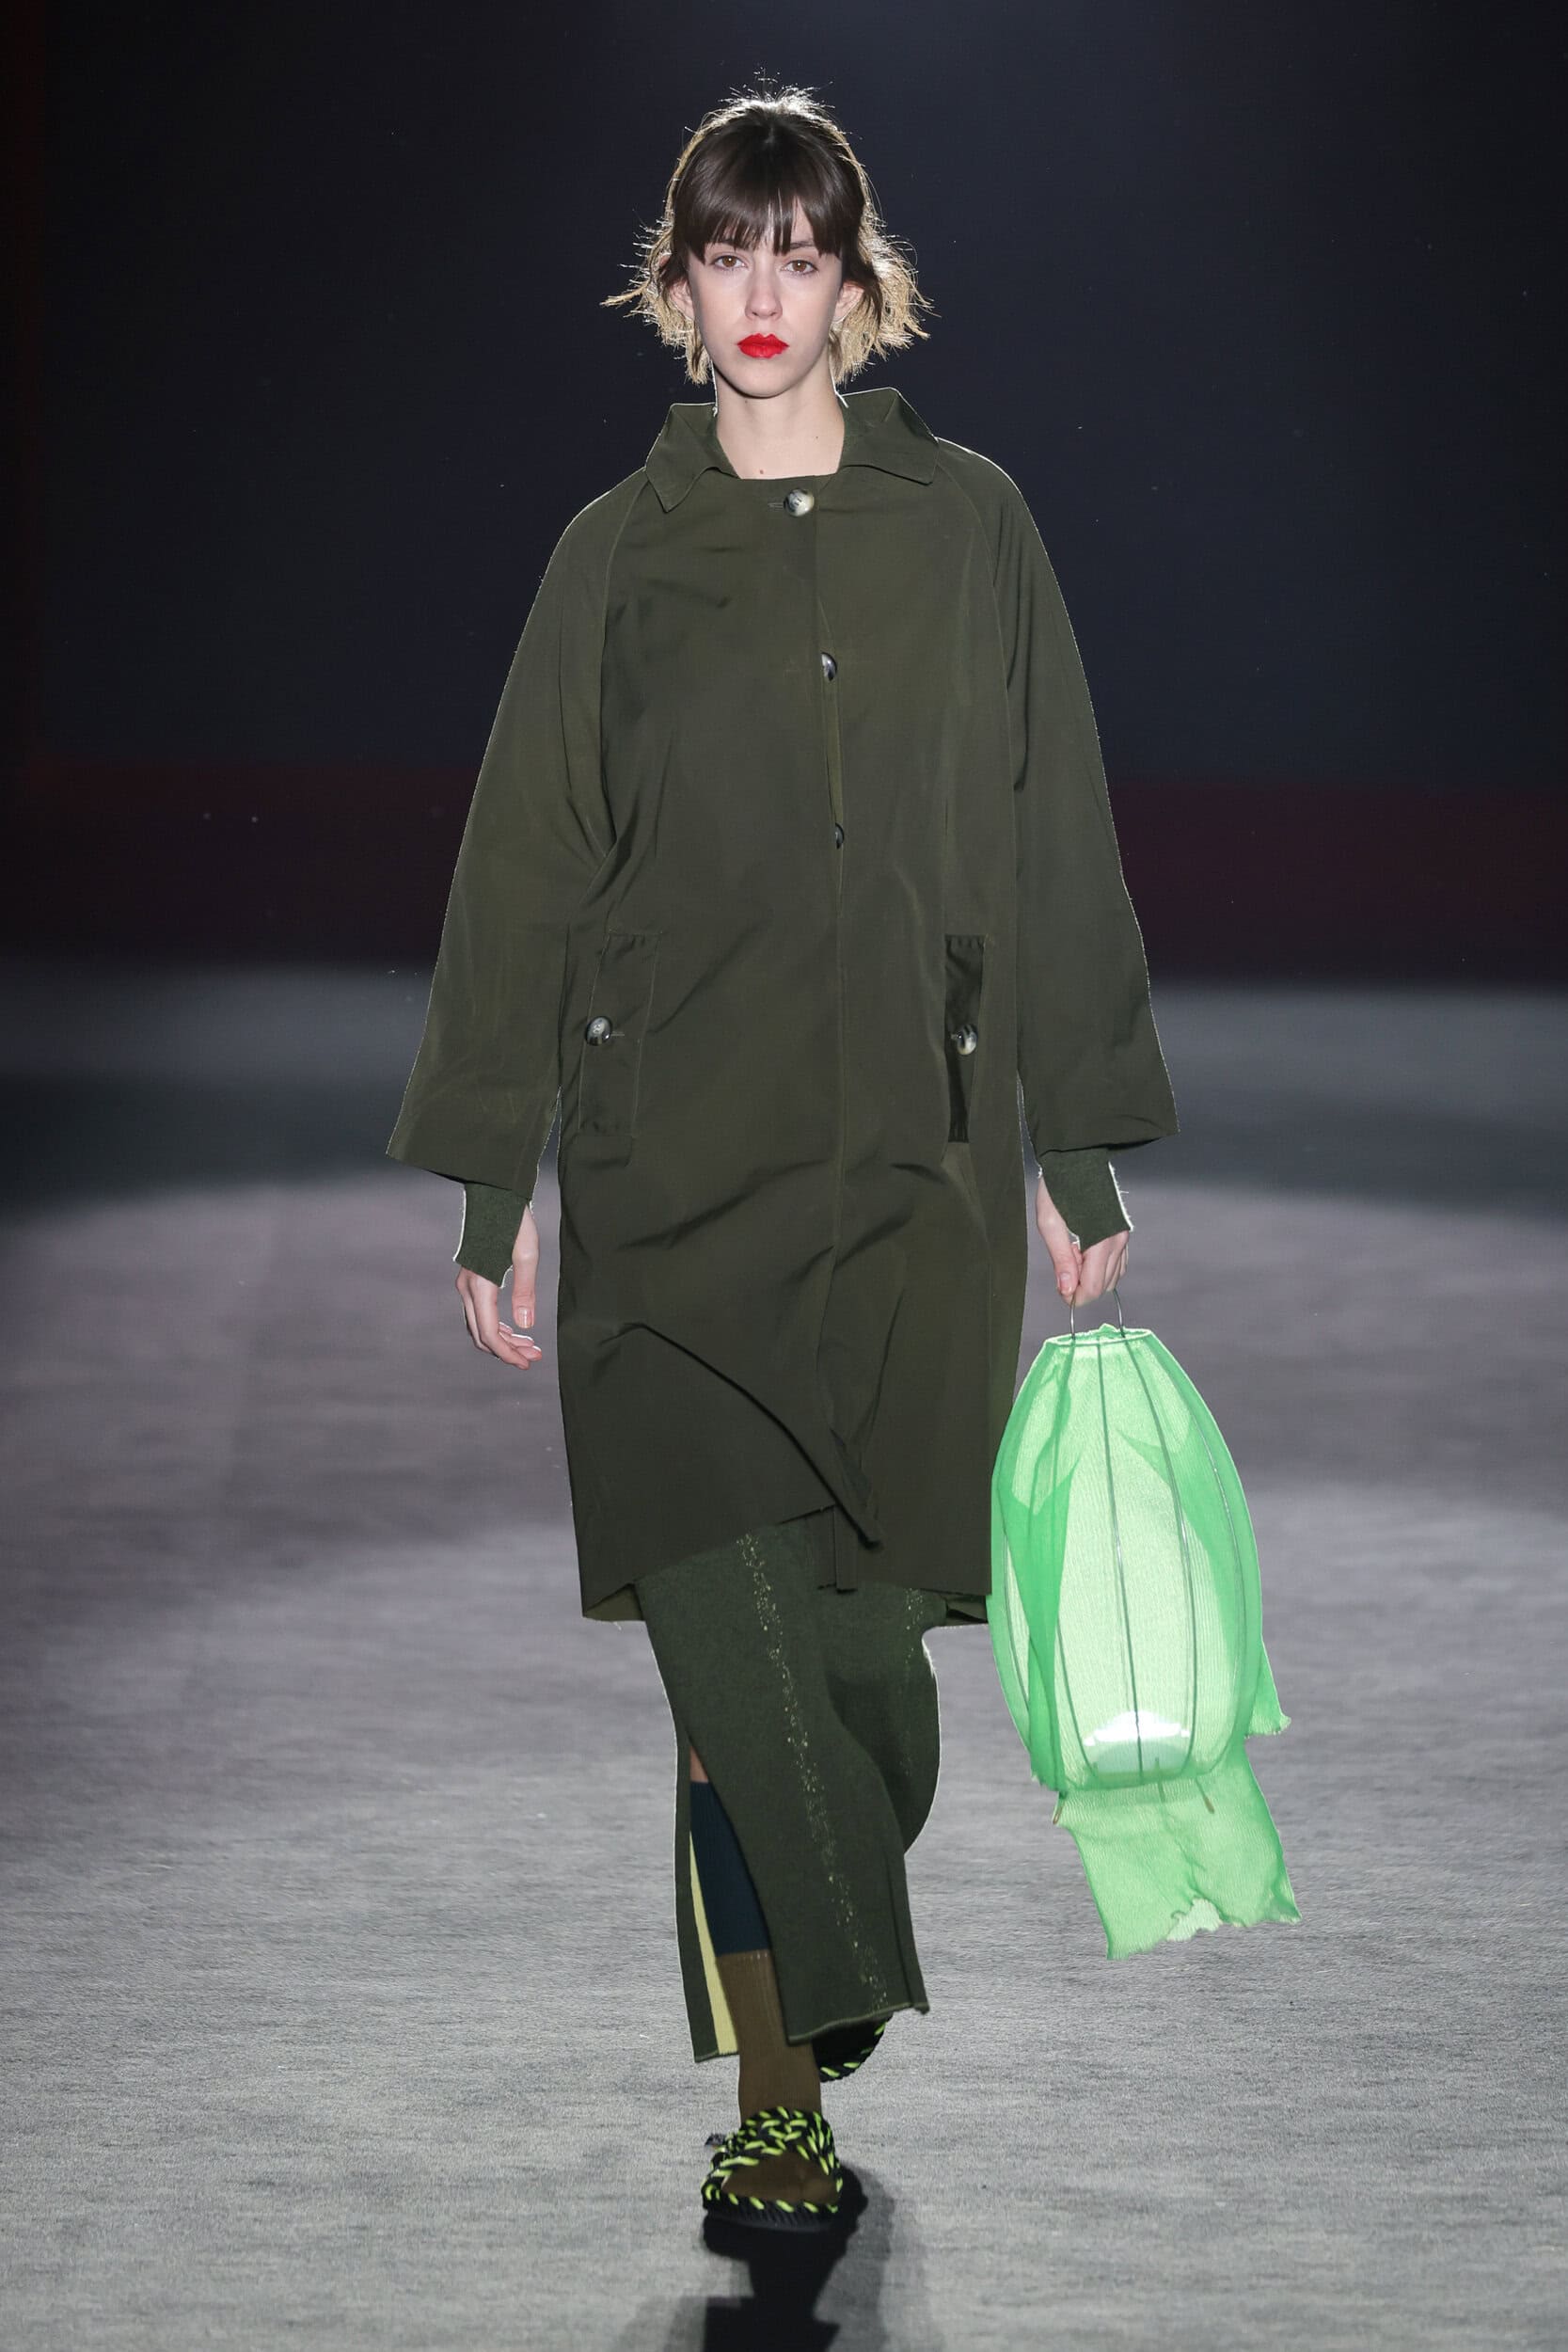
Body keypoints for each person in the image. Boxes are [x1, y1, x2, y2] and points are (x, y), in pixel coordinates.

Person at [387, 81, 1179, 2235]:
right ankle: (781, 2097)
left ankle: (814, 1976)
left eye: (798, 252)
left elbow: (1052, 824)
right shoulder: (616, 557)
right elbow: (527, 862)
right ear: (674, 283)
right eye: (725, 251)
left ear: (854, 283)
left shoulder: (972, 528)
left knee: (859, 1668)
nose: (761, 291)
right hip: (669, 1188)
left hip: (916, 1181)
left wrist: (1079, 1140)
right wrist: (495, 1173)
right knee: (734, 1669)